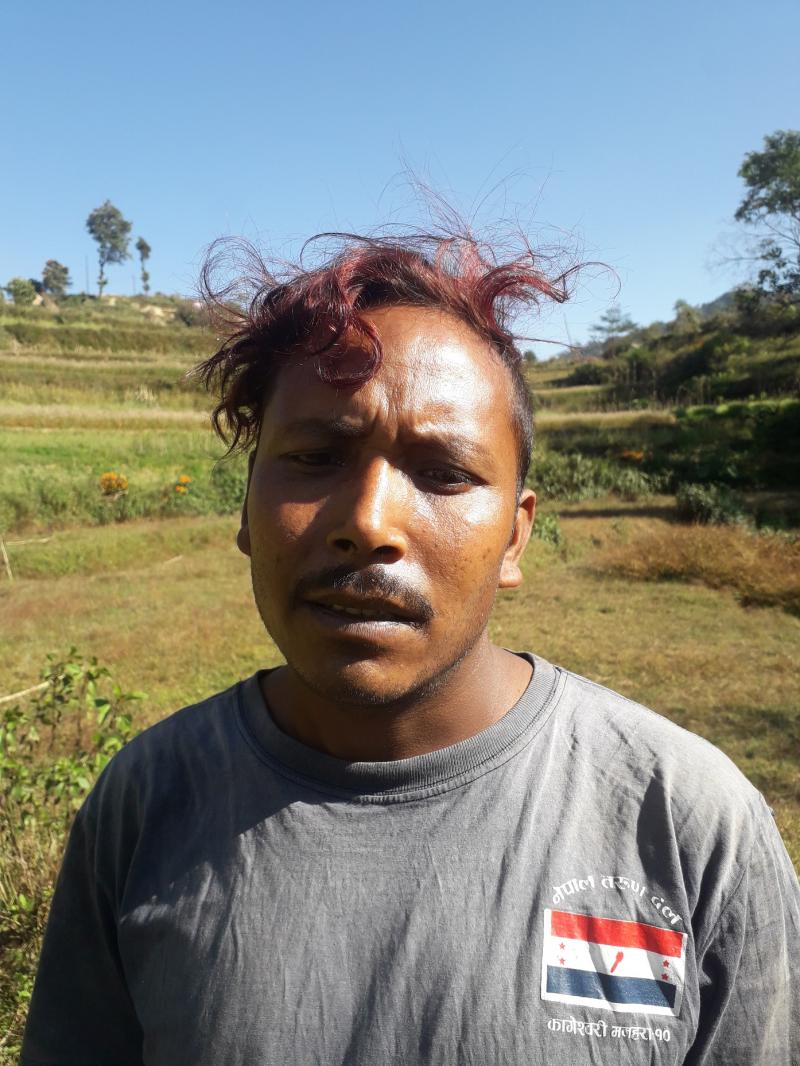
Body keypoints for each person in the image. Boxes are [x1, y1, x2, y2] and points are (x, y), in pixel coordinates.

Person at [21, 231, 799, 1065]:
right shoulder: (146, 802)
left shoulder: (687, 824)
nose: (368, 523)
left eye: (444, 473)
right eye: (315, 458)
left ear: (515, 538)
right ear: (245, 511)